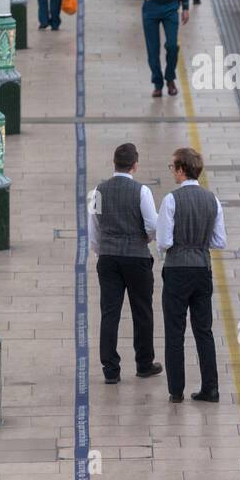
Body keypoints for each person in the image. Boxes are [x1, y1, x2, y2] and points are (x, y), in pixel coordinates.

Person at [156, 147, 226, 404]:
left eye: (173, 167)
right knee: (203, 330)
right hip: (202, 269)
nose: (172, 171)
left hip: (176, 270)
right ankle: (211, 388)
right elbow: (219, 241)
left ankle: (176, 391)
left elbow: (164, 240)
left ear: (182, 169)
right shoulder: (212, 200)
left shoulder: (171, 200)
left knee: (175, 331)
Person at [89, 142, 162, 385]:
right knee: (142, 311)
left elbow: (94, 230)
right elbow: (152, 226)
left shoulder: (97, 191)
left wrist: (103, 251)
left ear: (114, 164)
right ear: (135, 165)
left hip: (108, 258)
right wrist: (143, 240)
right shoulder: (142, 192)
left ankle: (110, 369)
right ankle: (144, 363)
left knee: (109, 312)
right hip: (137, 258)